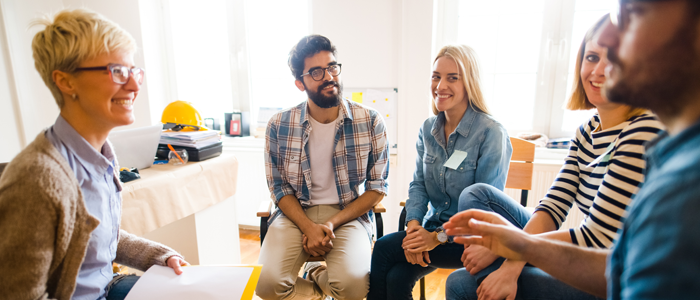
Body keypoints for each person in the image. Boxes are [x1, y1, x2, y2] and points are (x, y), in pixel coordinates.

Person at [444, 0, 700, 299]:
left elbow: (597, 240)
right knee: (476, 196)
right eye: (591, 57)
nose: (600, 69)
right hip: (601, 250)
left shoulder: (645, 131)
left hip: (601, 266)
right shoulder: (587, 130)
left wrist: (513, 258)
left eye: (614, 56)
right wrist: (513, 248)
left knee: (462, 283)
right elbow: (554, 206)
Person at [0, 9, 188, 300]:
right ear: (66, 82)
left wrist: (159, 255)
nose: (135, 85)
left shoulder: (101, 155)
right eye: (117, 71)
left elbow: (98, 238)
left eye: (133, 70)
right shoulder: (36, 178)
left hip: (108, 287)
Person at [367, 45, 512, 300]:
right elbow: (419, 185)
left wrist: (436, 237)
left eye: (452, 78)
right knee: (396, 278)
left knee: (383, 249)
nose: (440, 85)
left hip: (470, 240)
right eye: (436, 76)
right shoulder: (428, 128)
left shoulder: (491, 133)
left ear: (469, 83)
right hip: (429, 230)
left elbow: (485, 211)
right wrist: (414, 230)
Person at [255, 34, 389, 300]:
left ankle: (316, 271)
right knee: (266, 285)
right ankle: (319, 293)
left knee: (352, 288)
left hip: (346, 214)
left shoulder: (371, 121)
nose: (328, 76)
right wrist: (308, 227)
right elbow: (279, 188)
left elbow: (377, 188)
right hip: (296, 215)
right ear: (299, 83)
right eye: (316, 72)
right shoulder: (279, 125)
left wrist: (330, 223)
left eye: (332, 67)